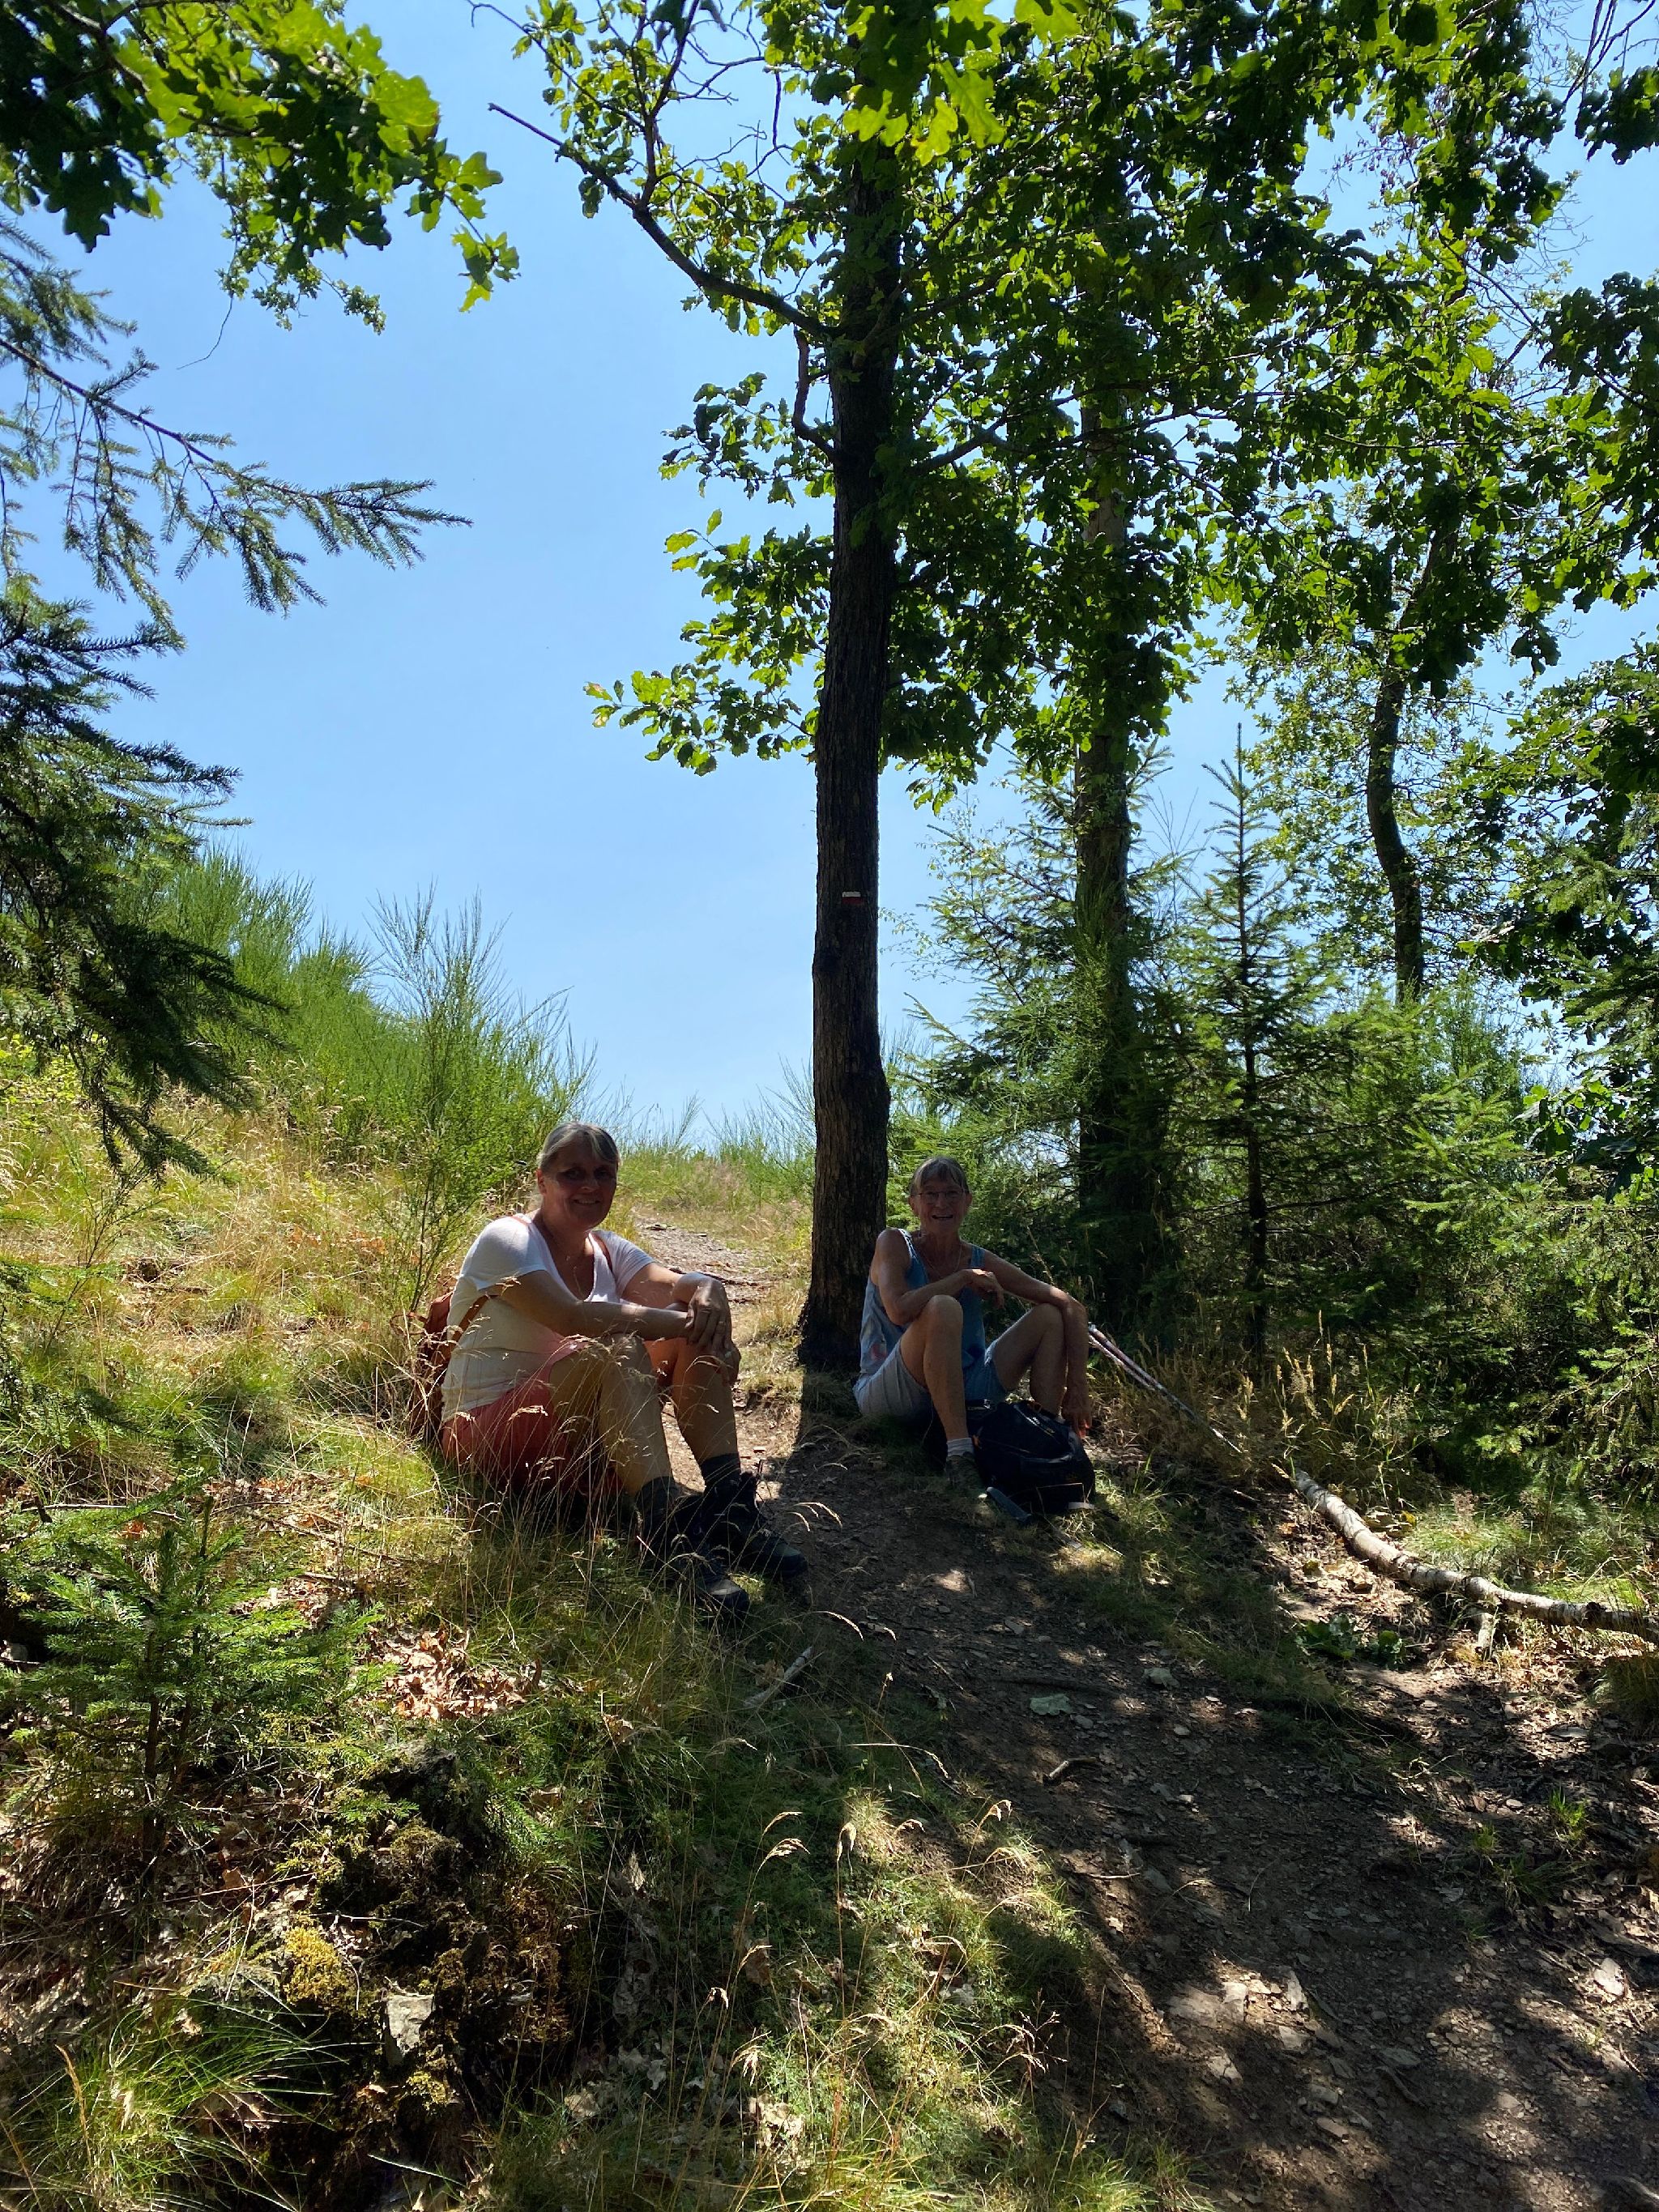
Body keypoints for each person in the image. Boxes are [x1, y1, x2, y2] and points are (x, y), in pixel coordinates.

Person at [438, 1119, 805, 1623]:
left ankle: (729, 1508)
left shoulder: (609, 1249)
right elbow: (572, 1317)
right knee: (621, 1345)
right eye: (572, 1174)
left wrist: (709, 1291)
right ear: (542, 1180)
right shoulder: (507, 1239)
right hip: (488, 1431)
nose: (589, 1186)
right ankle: (664, 1536)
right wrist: (692, 1321)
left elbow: (678, 1286)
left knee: (684, 1337)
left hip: (576, 1437)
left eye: (603, 1174)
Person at [855, 1156, 1092, 1473]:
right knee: (942, 1307)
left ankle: (1044, 1436)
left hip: (965, 1389)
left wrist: (1077, 1387)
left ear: (967, 1201)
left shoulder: (978, 1258)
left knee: (1050, 1315)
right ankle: (960, 1457)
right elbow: (899, 1310)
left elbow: (1071, 1306)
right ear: (914, 1204)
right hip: (893, 1392)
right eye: (931, 1194)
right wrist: (963, 1278)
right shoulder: (895, 1243)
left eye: (952, 1193)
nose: (942, 1203)